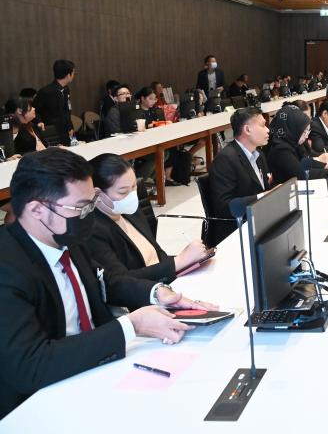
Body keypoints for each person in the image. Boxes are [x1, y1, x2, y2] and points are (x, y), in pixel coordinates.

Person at [0, 148, 215, 418]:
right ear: (37, 210)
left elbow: (105, 281)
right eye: (80, 207)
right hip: (41, 400)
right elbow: (29, 364)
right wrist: (131, 326)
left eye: (91, 204)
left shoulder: (64, 236)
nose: (89, 215)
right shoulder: (8, 268)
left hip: (96, 367)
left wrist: (158, 293)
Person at [87, 154, 210, 291]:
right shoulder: (93, 231)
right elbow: (121, 282)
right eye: (123, 192)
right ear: (97, 194)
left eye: (134, 187)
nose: (132, 195)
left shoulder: (130, 211)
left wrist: (186, 263)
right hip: (143, 294)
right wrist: (179, 261)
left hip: (165, 282)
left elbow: (157, 252)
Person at [208, 107, 271, 246]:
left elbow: (264, 189)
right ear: (247, 129)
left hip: (259, 221)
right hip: (236, 230)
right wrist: (263, 197)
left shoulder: (259, 155)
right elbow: (224, 207)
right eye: (263, 125)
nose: (268, 130)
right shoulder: (225, 159)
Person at [267, 104, 328, 185]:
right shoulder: (281, 150)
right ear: (293, 128)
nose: (307, 136)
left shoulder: (293, 142)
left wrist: (326, 165)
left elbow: (305, 162)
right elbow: (301, 174)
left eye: (308, 131)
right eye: (304, 132)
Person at [32, 59, 76, 145]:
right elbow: (34, 109)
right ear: (68, 75)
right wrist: (39, 121)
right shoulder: (46, 91)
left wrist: (70, 126)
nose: (74, 75)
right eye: (73, 73)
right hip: (51, 133)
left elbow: (66, 110)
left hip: (65, 131)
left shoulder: (66, 89)